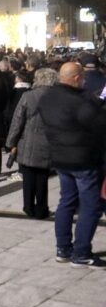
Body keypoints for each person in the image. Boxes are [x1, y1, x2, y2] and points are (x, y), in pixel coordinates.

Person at [39, 61, 106, 267]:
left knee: (66, 201)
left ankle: (63, 248)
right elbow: (99, 126)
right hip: (83, 160)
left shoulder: (47, 97)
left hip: (60, 159)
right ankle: (81, 252)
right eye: (82, 78)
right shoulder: (80, 102)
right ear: (77, 78)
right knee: (90, 206)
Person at [6, 68, 57, 219]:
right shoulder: (57, 97)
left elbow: (17, 121)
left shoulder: (28, 96)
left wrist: (11, 142)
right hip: (48, 142)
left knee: (28, 177)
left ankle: (28, 207)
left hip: (28, 141)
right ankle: (42, 209)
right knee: (42, 178)